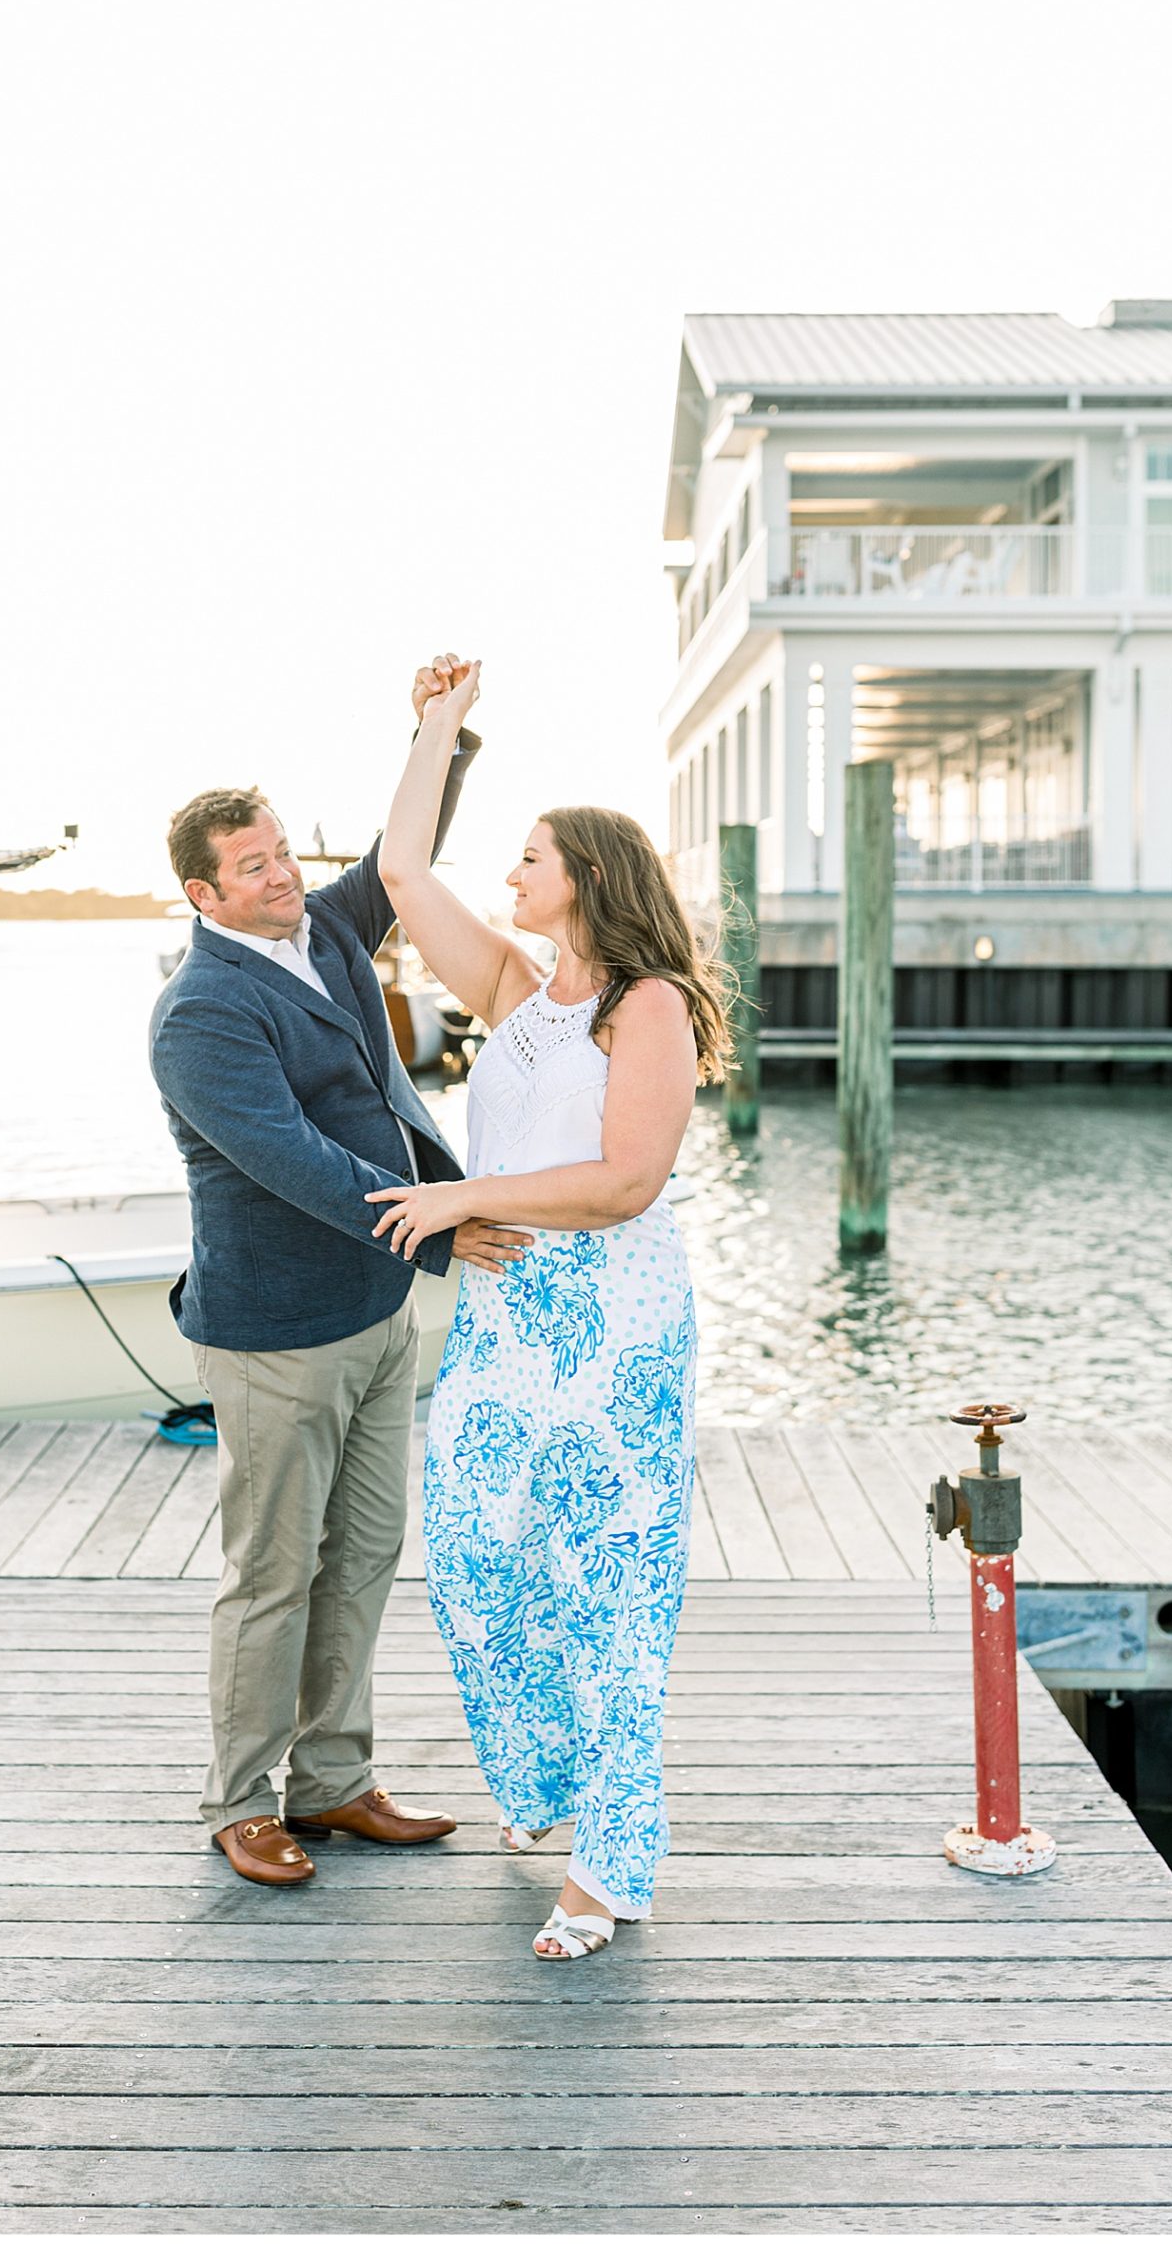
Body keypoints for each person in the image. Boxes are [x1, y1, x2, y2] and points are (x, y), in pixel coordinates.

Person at [364, 661, 731, 1959]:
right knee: (473, 1567)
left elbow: (628, 1180)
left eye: (528, 858)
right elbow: (405, 876)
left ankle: (608, 1866)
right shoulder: (522, 998)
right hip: (505, 1328)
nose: (510, 877)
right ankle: (550, 1791)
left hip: (616, 1334)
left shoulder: (653, 1008)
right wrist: (434, 732)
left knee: (607, 1594)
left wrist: (467, 1194)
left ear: (587, 875)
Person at [149, 654, 535, 1888]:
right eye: (255, 867)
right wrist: (439, 1221)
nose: (284, 877)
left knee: (363, 1557)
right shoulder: (201, 1014)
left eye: (282, 853)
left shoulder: (323, 927)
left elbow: (400, 856)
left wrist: (441, 732)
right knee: (272, 1574)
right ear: (206, 892)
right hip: (276, 1332)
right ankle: (238, 1801)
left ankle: (330, 1783)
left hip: (374, 1313)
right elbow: (295, 1162)